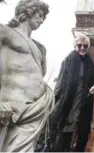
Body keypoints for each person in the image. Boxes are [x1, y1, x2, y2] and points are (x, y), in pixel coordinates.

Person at [0, 0, 54, 152]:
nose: (42, 20)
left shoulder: (40, 48)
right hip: (10, 108)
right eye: (40, 15)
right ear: (29, 11)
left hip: (36, 109)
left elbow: (39, 76)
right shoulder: (4, 32)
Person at [50, 34, 94, 152]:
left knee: (82, 134)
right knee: (65, 133)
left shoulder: (89, 62)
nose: (82, 48)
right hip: (69, 102)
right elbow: (61, 80)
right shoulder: (69, 59)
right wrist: (55, 98)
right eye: (79, 45)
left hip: (84, 103)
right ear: (75, 46)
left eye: (85, 46)